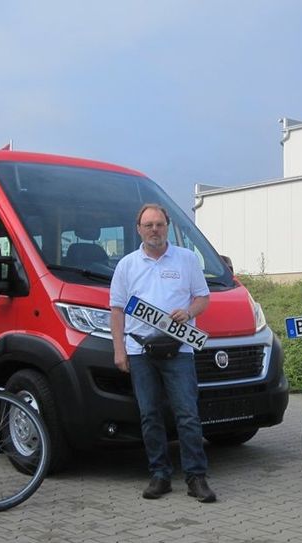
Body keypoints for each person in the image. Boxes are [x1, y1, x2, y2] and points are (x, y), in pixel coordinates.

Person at [109, 203, 216, 503]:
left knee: (187, 415)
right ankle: (160, 475)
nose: (154, 230)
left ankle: (196, 477)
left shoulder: (186, 259)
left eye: (159, 224)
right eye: (148, 225)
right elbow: (116, 310)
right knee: (150, 415)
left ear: (167, 226)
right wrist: (119, 349)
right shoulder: (127, 265)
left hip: (179, 348)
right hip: (140, 350)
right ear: (138, 229)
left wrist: (189, 311)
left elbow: (203, 298)